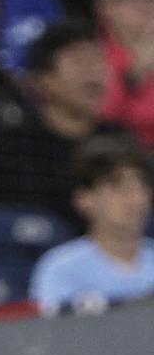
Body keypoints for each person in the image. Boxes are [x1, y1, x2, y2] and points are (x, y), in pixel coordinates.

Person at [0, 20, 115, 225]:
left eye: (98, 61)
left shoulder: (119, 144)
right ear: (43, 80)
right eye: (79, 62)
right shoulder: (7, 151)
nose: (93, 72)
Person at [30, 133, 154, 311]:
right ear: (84, 199)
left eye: (141, 187)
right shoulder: (61, 269)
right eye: (119, 188)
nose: (136, 199)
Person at [98, 0, 154, 149]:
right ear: (104, 7)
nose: (144, 5)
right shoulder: (91, 56)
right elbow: (94, 121)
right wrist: (133, 76)